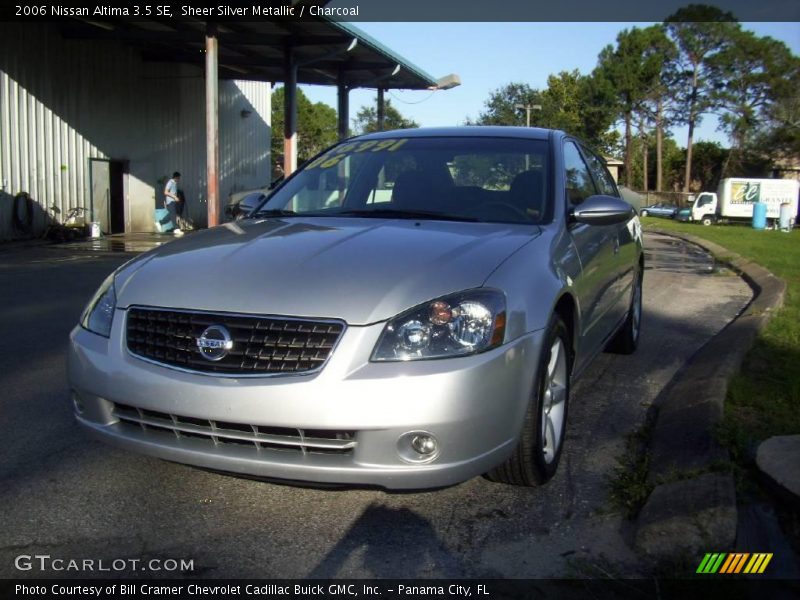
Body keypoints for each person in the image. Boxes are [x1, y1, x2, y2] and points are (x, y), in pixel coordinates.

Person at [164, 171, 183, 236]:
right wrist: (174, 197)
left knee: (172, 215)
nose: (179, 179)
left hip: (173, 201)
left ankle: (160, 222)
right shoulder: (170, 182)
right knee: (173, 215)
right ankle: (176, 229)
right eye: (178, 178)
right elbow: (166, 192)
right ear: (176, 177)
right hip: (170, 201)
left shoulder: (174, 183)